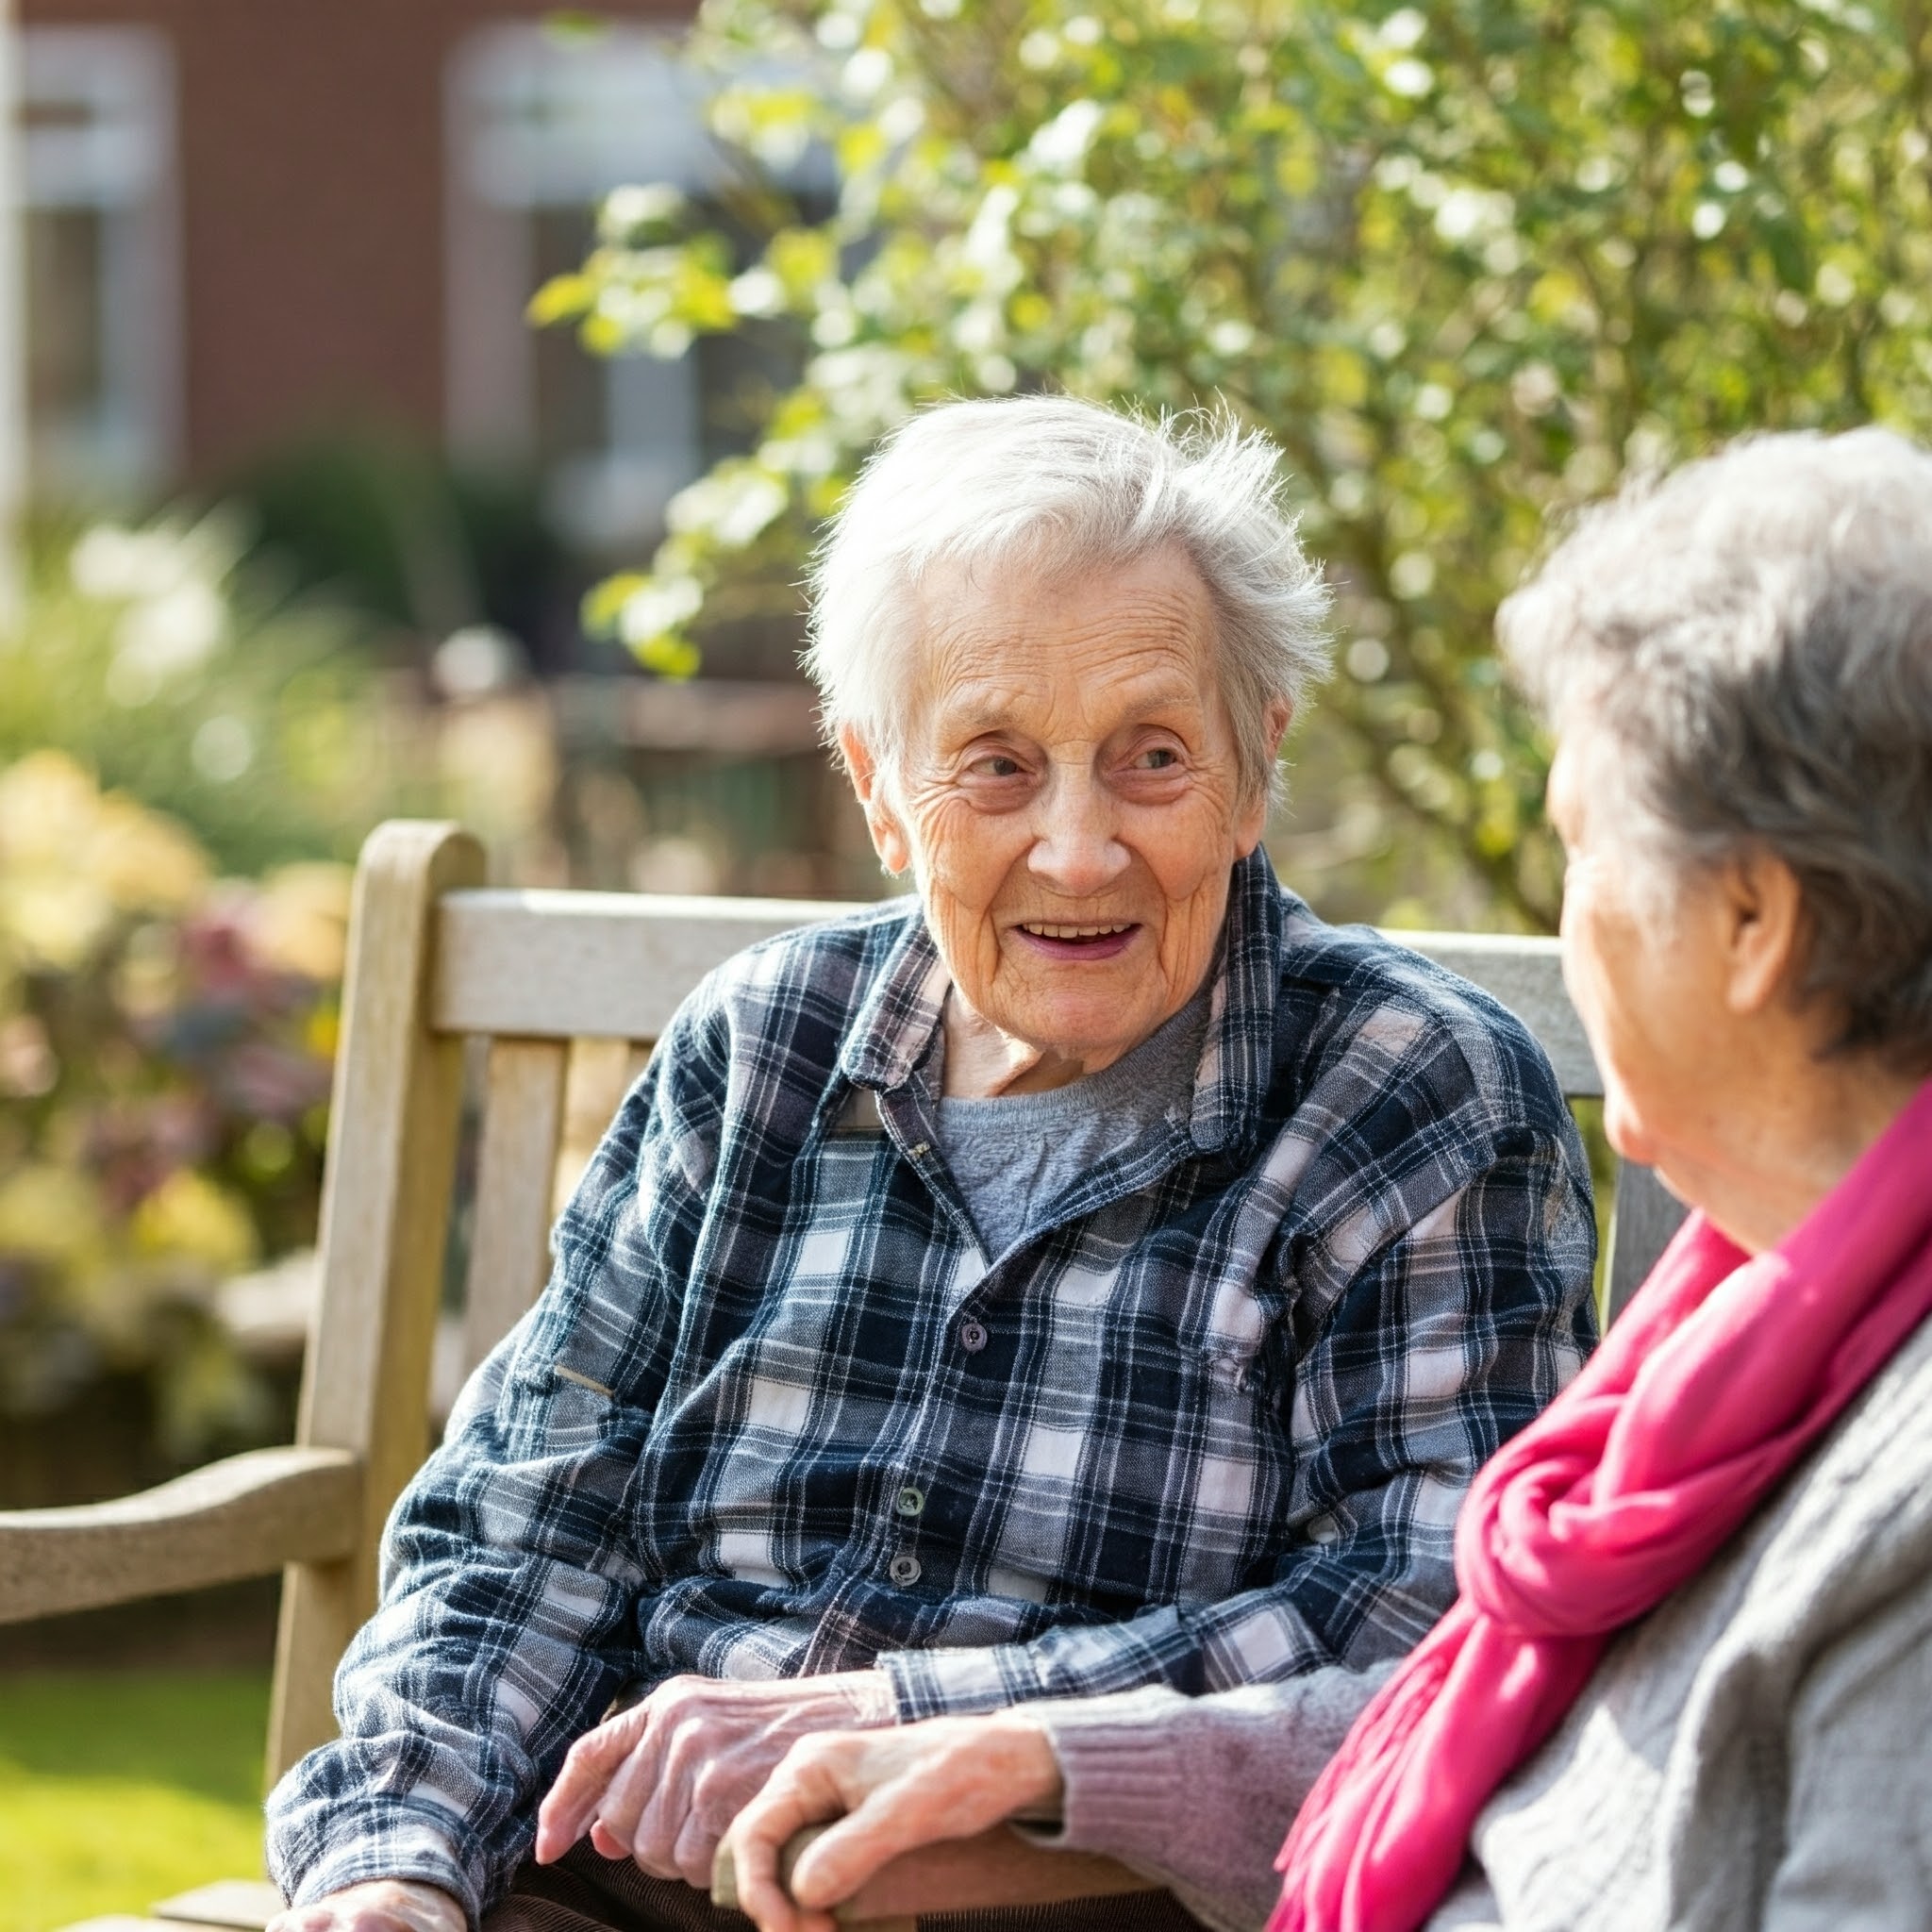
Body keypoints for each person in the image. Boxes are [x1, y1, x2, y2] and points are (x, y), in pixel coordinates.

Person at [263, 396, 1598, 1932]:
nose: (1081, 850)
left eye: (1152, 755)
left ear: (1257, 760)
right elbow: (526, 1521)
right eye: (998, 766)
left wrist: (918, 1722)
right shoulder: (762, 1049)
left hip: (1057, 1890)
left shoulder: (1407, 1092)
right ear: (880, 790)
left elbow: (1422, 1620)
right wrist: (393, 1860)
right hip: (614, 1875)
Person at [718, 424, 1932, 1932]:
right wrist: (1040, 1754)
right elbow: (1449, 1710)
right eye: (1001, 765)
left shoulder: (1892, 1491)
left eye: (1577, 848)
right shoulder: (1742, 1333)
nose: (1080, 848)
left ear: (1749, 921)